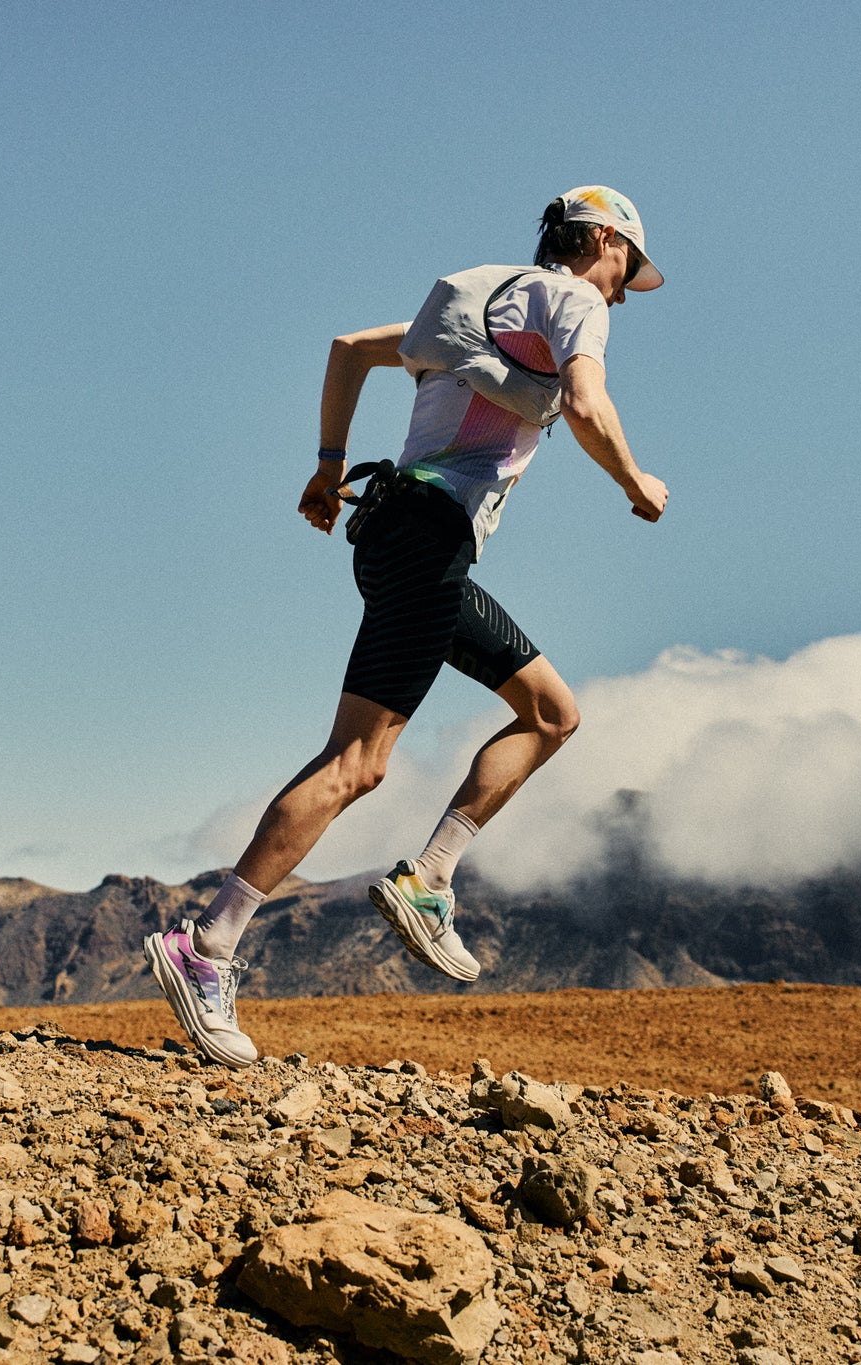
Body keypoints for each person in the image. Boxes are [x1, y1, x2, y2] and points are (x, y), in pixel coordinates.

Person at [145, 186, 669, 1067]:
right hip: (429, 539)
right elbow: (585, 404)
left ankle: (428, 877)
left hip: (400, 532)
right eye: (629, 268)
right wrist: (634, 480)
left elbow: (349, 350)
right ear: (605, 240)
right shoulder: (575, 301)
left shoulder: (482, 306)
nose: (625, 290)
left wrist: (327, 468)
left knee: (551, 713)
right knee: (358, 761)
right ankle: (208, 944)